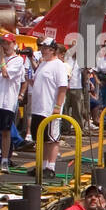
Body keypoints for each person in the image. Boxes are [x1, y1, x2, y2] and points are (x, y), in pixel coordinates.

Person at [29, 39, 69, 178]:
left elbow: (62, 87)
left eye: (46, 48)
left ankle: (50, 167)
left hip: (50, 108)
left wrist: (58, 106)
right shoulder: (42, 64)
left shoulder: (58, 65)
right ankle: (42, 165)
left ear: (52, 50)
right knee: (41, 138)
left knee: (52, 138)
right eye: (42, 48)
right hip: (38, 107)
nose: (43, 50)